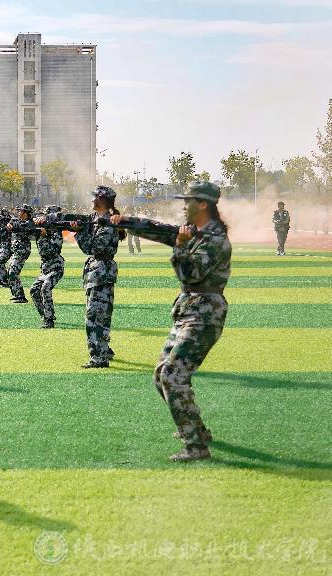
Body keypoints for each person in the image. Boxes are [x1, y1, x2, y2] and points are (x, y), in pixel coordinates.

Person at [111, 180, 230, 462]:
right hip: (189, 312)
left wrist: (180, 247)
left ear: (203, 204)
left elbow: (189, 274)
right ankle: (197, 430)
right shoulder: (194, 232)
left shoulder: (214, 240)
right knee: (161, 375)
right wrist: (125, 222)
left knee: (172, 376)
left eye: (188, 201)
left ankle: (196, 447)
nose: (183, 206)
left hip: (205, 314)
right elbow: (159, 229)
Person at [72, 186, 122, 369]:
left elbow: (92, 248)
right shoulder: (95, 219)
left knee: (95, 316)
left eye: (94, 197)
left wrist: (79, 233)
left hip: (102, 272)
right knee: (99, 314)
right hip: (96, 272)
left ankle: (99, 358)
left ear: (100, 200)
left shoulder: (107, 224)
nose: (91, 200)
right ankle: (104, 350)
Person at [30, 206, 65, 328]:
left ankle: (49, 320)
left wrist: (43, 237)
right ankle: (45, 315)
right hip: (45, 269)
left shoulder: (56, 232)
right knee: (34, 290)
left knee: (45, 288)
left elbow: (51, 251)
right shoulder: (41, 229)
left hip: (56, 267)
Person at [3, 204, 36, 303]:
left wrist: (12, 225)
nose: (18, 212)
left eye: (20, 211)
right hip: (16, 250)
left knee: (13, 272)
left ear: (25, 213)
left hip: (22, 251)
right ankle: (17, 295)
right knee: (11, 272)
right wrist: (9, 223)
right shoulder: (19, 220)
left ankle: (21, 296)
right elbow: (12, 222)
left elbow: (20, 226)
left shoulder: (29, 223)